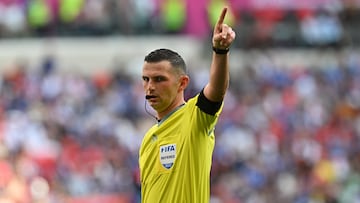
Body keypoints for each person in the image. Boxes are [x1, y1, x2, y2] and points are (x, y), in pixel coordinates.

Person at [139, 7, 236, 203]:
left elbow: (216, 92)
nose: (150, 87)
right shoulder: (148, 138)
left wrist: (220, 51)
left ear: (182, 83)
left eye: (159, 79)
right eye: (146, 79)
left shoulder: (194, 118)